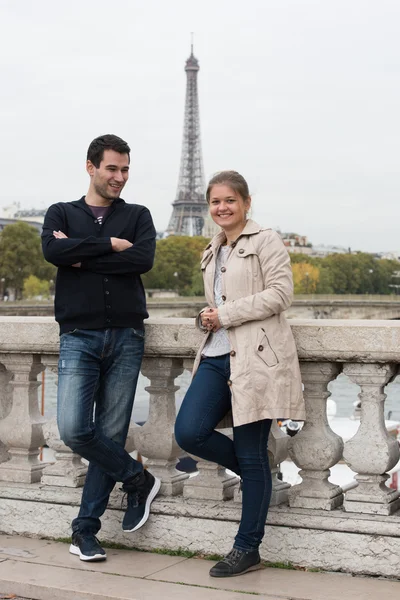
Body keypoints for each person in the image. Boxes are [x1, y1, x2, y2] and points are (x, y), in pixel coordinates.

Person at [175, 170, 305, 578]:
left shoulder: (266, 240)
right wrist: (207, 316)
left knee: (249, 455)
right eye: (215, 201)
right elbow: (217, 303)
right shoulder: (212, 249)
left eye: (229, 200)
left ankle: (247, 548)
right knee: (189, 432)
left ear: (246, 203)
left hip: (256, 359)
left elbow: (282, 293)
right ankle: (259, 473)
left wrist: (225, 314)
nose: (221, 208)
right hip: (216, 355)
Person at [42, 134, 160, 562]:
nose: (120, 177)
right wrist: (109, 245)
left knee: (108, 435)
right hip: (79, 335)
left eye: (125, 169)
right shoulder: (60, 212)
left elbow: (142, 261)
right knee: (75, 430)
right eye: (112, 168)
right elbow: (52, 251)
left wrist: (80, 256)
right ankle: (137, 478)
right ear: (91, 167)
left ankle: (85, 531)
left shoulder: (139, 215)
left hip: (127, 335)